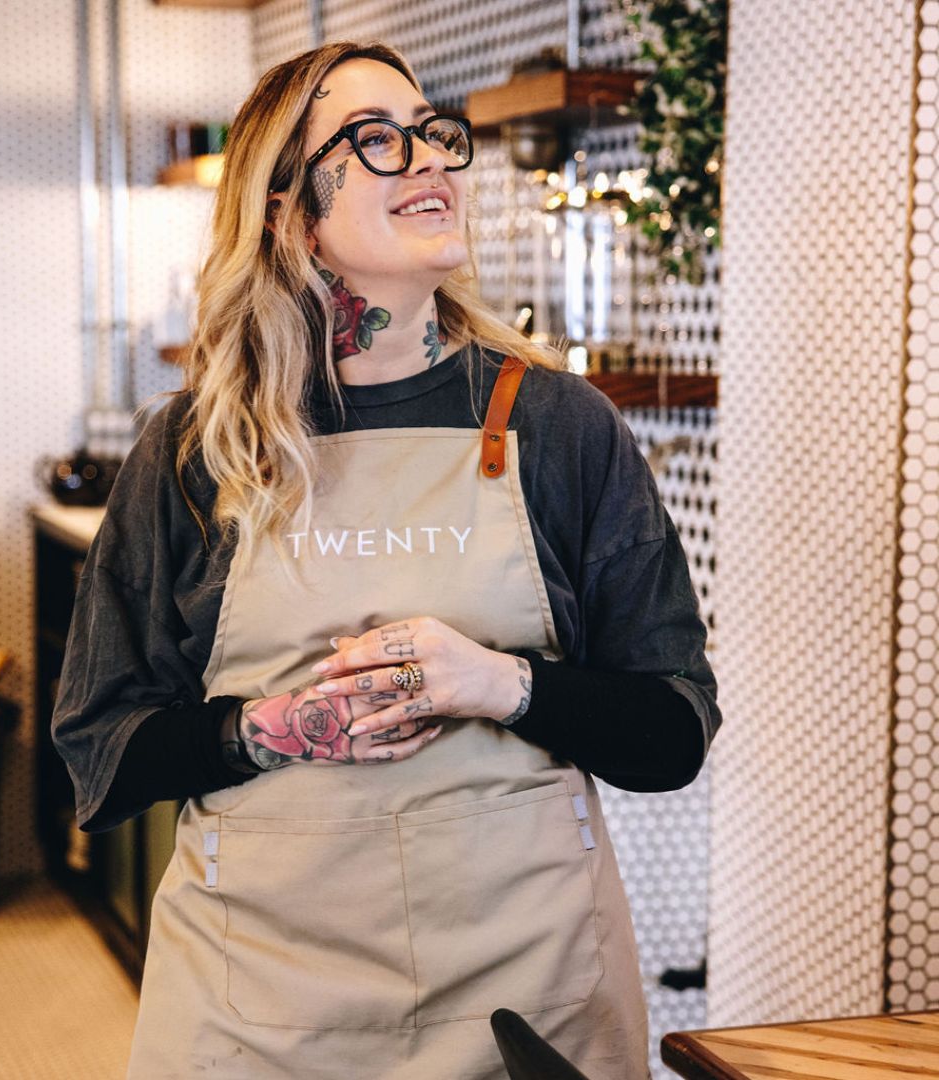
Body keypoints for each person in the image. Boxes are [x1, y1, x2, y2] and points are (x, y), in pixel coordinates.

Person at [52, 39, 720, 1080]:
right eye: (377, 139)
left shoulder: (559, 426)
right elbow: (102, 746)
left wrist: (500, 684)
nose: (432, 159)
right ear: (287, 212)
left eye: (435, 134)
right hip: (259, 1007)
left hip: (528, 996)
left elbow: (672, 733)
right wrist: (268, 728)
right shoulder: (195, 449)